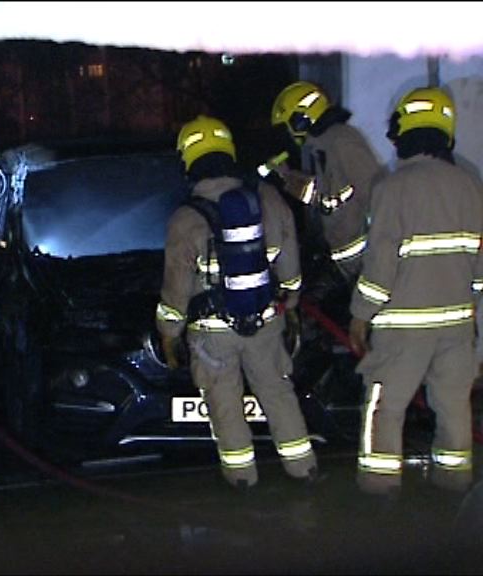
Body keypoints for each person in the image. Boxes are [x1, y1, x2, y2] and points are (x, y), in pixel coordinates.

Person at [157, 115, 317, 491]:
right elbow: (288, 258)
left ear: (188, 160)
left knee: (225, 404)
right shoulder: (266, 197)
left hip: (213, 336)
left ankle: (243, 479)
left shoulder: (185, 218)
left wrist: (169, 332)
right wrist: (291, 298)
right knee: (278, 393)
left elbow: (175, 287)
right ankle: (303, 470)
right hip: (265, 320)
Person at [348, 87, 482, 498]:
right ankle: (453, 487)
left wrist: (359, 316)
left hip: (402, 330)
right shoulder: (470, 185)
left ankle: (379, 491)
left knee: (384, 410)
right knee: (454, 408)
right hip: (458, 328)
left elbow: (381, 265)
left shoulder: (393, 188)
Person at [268, 81, 384, 283]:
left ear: (300, 120)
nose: (288, 133)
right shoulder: (324, 146)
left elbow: (377, 195)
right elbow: (324, 197)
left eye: (288, 125)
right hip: (351, 265)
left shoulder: (341, 142)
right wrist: (286, 177)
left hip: (368, 263)